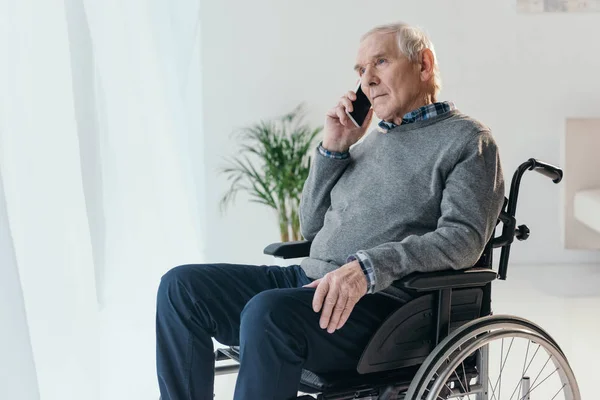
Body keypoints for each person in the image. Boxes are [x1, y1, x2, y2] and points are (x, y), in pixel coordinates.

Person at [155, 22, 505, 400]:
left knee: (267, 314)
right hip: (310, 283)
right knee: (181, 288)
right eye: (360, 71)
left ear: (423, 65)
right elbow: (311, 226)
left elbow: (463, 239)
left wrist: (367, 268)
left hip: (384, 307)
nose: (367, 81)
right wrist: (334, 149)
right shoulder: (371, 140)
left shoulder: (468, 141)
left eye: (380, 62)